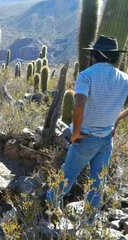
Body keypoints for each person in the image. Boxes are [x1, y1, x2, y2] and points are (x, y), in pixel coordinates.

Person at [46, 35, 128, 221]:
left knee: (66, 178)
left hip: (85, 137)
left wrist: (75, 134)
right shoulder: (124, 78)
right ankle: (90, 222)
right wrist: (117, 119)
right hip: (106, 138)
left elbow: (79, 105)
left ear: (95, 55)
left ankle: (47, 211)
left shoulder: (86, 75)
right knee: (98, 182)